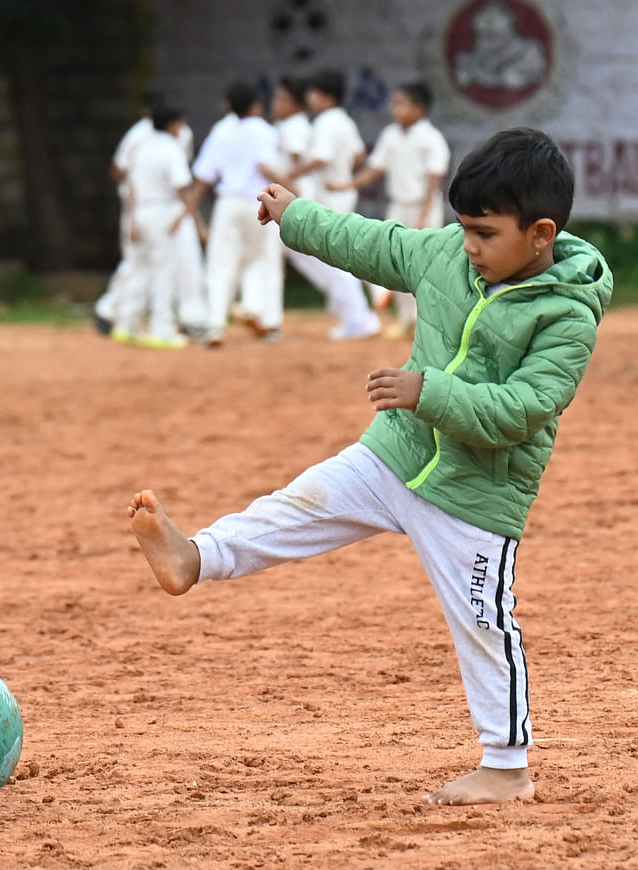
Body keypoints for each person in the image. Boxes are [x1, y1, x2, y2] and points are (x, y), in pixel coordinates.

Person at [125, 128, 612, 805]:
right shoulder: (446, 255)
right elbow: (372, 243)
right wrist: (298, 217)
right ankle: (195, 558)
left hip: (475, 494)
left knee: (484, 622)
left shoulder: (568, 313)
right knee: (298, 503)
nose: (467, 243)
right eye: (463, 227)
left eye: (484, 232)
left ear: (540, 233)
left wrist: (428, 392)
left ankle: (505, 768)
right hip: (396, 454)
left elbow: (523, 409)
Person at [330, 82, 450, 340]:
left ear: (419, 108)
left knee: (425, 266)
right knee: (395, 261)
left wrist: (424, 215)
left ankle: (427, 323)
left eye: (402, 104)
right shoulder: (391, 135)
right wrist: (347, 184)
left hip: (423, 205)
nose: (395, 109)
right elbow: (375, 168)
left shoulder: (431, 138)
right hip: (399, 204)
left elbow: (434, 178)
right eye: (395, 104)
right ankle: (406, 319)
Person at [278, 69, 382, 341]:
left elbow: (321, 158)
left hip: (329, 198)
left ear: (326, 97)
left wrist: (293, 174)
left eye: (313, 93)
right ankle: (354, 313)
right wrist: (344, 173)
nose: (309, 98)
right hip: (339, 196)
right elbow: (359, 154)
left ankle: (358, 318)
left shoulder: (325, 122)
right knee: (328, 256)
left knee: (332, 260)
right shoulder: (344, 121)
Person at [96, 91, 204, 337]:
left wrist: (132, 218)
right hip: (164, 212)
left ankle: (126, 323)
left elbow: (129, 181)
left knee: (139, 267)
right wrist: (188, 218)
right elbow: (182, 188)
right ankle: (162, 327)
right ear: (172, 124)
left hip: (140, 211)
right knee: (165, 270)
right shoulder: (170, 150)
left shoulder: (143, 147)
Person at [188, 81, 282, 347]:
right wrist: (292, 187)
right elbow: (267, 167)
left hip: (227, 203)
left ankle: (215, 325)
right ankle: (253, 307)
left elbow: (205, 175)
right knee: (258, 259)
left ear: (229, 106)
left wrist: (191, 211)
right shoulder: (265, 131)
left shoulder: (221, 131)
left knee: (220, 263)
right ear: (256, 105)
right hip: (259, 202)